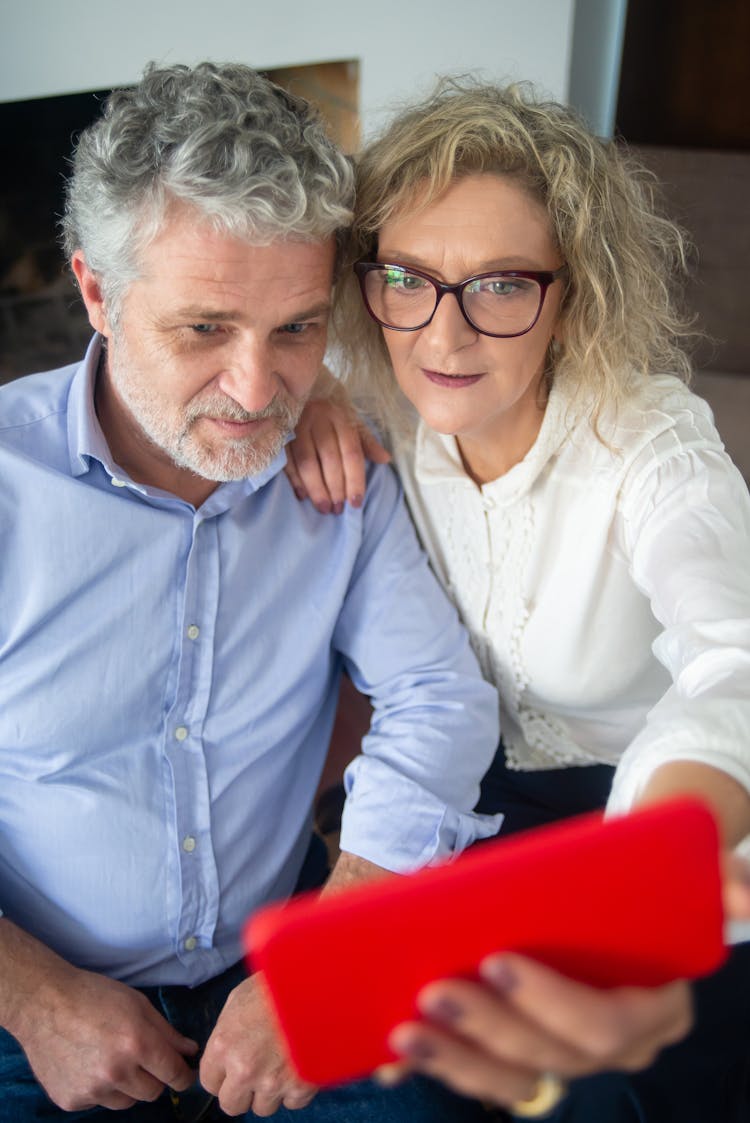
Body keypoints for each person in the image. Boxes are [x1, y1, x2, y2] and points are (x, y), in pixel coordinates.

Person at [0, 62, 510, 1123]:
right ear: (96, 292)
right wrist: (35, 999)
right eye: (203, 330)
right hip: (29, 995)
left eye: (296, 331)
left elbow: (438, 699)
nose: (253, 389)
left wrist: (327, 952)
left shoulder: (339, 469)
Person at [285, 79, 750, 1121]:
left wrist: (651, 865)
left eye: (500, 286)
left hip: (659, 818)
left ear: (572, 294)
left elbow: (738, 658)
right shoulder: (388, 409)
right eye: (407, 279)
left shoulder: (652, 446)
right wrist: (310, 396)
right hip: (474, 811)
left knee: (605, 1090)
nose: (443, 337)